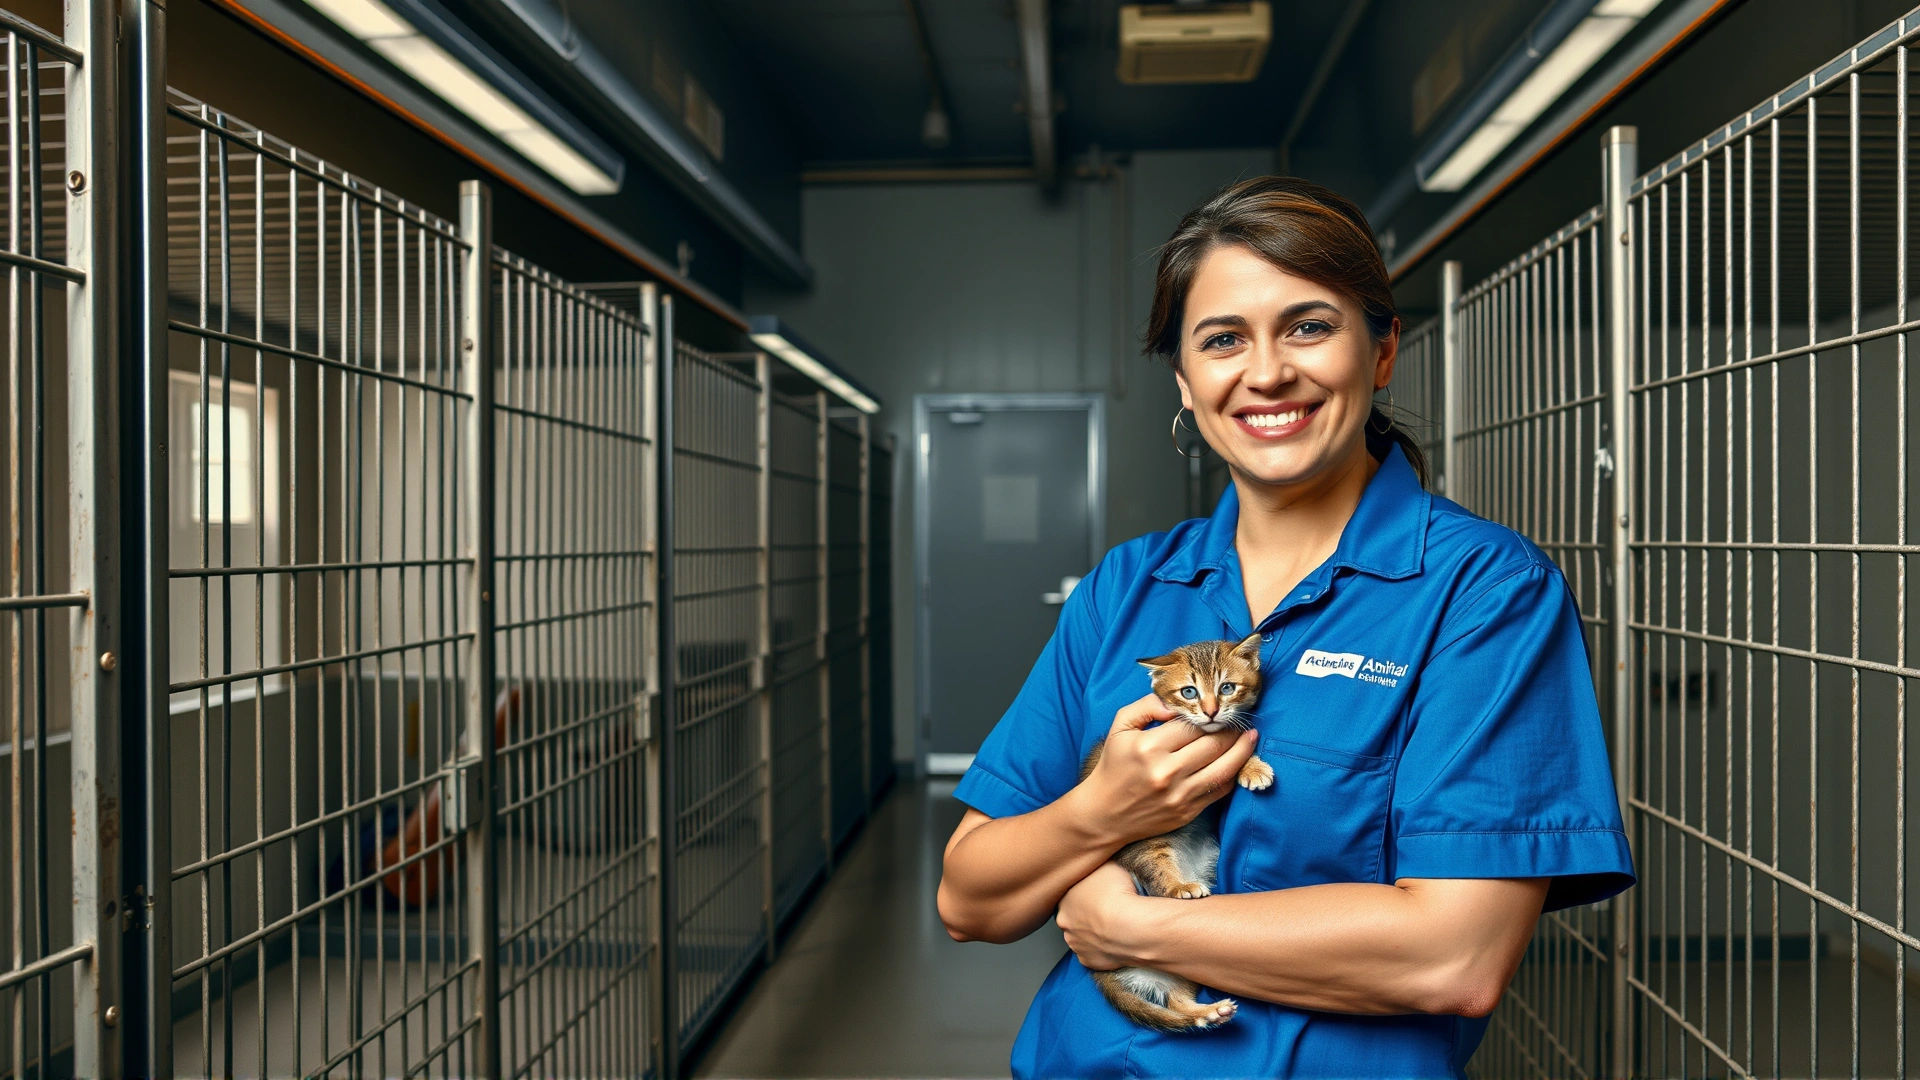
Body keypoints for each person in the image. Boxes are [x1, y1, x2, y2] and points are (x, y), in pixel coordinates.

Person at [935, 176, 1633, 1079]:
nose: (1266, 373)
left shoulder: (1483, 591)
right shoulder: (1128, 588)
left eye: (1309, 326)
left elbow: (1456, 956)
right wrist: (1102, 812)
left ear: (1382, 351)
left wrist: (1135, 925)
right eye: (1223, 340)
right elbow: (969, 898)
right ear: (1187, 385)